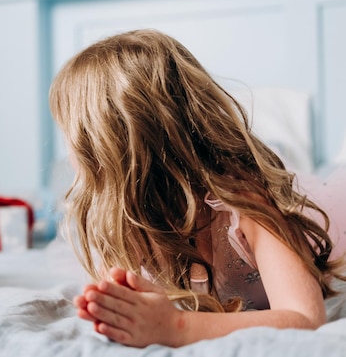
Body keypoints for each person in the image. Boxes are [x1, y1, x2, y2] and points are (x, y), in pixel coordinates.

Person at [48, 29, 345, 348]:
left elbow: (304, 318)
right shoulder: (124, 221)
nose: (69, 156)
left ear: (110, 148)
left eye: (73, 139)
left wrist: (177, 325)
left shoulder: (246, 203)